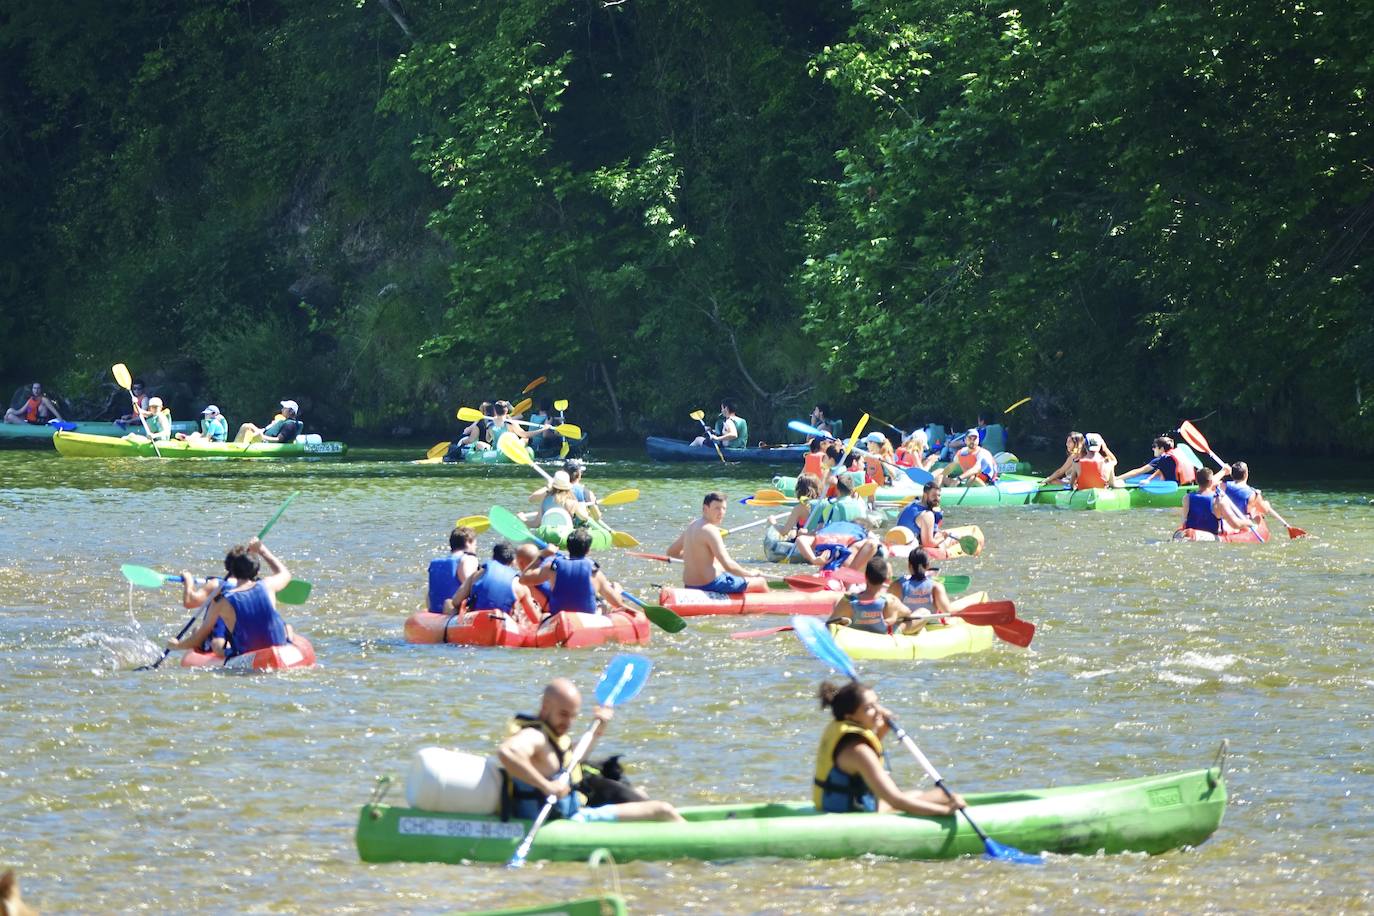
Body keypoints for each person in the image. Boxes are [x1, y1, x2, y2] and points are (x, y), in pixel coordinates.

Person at [498, 678, 683, 823]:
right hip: (568, 821)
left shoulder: (551, 735)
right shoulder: (534, 735)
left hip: (574, 811)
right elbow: (507, 752)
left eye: (573, 716)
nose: (568, 723)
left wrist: (598, 729)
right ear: (545, 707)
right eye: (563, 714)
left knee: (640, 794)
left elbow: (572, 760)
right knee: (662, 810)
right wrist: (546, 786)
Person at [813, 679, 965, 816]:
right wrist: (945, 811)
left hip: (840, 807)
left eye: (877, 703)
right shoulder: (859, 751)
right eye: (868, 708)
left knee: (916, 793)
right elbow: (895, 800)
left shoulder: (849, 739)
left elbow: (857, 767)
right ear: (850, 717)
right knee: (943, 797)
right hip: (852, 816)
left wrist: (881, 730)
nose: (879, 710)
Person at [165, 538, 297, 659]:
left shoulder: (221, 602)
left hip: (247, 655)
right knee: (288, 627)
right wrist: (262, 550)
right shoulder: (268, 585)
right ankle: (289, 644)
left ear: (230, 570)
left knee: (203, 637)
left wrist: (177, 646)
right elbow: (284, 573)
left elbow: (199, 638)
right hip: (279, 648)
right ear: (256, 570)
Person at [666, 491, 768, 593]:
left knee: (718, 565)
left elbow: (671, 553)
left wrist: (697, 558)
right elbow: (728, 565)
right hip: (711, 585)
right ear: (705, 509)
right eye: (717, 508)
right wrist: (750, 574)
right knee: (761, 582)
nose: (721, 512)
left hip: (689, 585)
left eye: (724, 508)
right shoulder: (711, 530)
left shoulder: (692, 526)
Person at [521, 529, 629, 616]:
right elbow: (618, 604)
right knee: (604, 604)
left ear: (568, 548)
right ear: (587, 550)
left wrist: (543, 554)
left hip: (559, 616)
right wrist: (618, 592)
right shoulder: (595, 573)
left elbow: (523, 579)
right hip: (587, 618)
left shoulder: (552, 567)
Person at [793, 476, 882, 570]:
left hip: (836, 546)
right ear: (852, 490)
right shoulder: (861, 504)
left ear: (837, 490)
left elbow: (820, 531)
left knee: (804, 537)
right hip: (860, 546)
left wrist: (805, 533)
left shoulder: (830, 506)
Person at [444, 542, 539, 621]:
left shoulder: (478, 574)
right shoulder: (520, 585)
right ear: (513, 562)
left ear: (493, 558)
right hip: (504, 623)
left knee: (447, 603)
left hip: (477, 621)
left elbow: (456, 601)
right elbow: (535, 619)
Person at [831, 557, 906, 634]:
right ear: (885, 579)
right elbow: (908, 613)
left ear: (865, 577)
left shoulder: (850, 599)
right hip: (881, 637)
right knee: (917, 614)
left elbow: (830, 623)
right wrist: (894, 616)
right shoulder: (890, 600)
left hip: (854, 638)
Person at [1176, 467, 1249, 539]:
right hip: (1208, 536)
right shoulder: (1218, 500)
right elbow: (1235, 524)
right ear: (1211, 482)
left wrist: (1223, 471)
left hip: (1189, 534)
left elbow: (1184, 522)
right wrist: (1249, 523)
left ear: (1197, 481)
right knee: (1236, 528)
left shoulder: (1187, 498)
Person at [426, 526, 480, 613]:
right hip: (453, 611)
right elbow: (471, 587)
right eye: (475, 544)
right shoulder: (468, 559)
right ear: (468, 542)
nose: (475, 548)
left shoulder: (436, 563)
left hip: (435, 612)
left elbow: (429, 595)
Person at [1118, 436, 1197, 486]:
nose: (1153, 449)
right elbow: (1160, 470)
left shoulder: (1162, 459)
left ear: (1161, 449)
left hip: (1175, 488)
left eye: (1154, 447)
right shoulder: (1178, 455)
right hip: (1189, 485)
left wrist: (1117, 478)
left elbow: (1138, 472)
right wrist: (1149, 479)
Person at [235, 400, 303, 444]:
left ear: (291, 411)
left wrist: (262, 437)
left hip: (266, 441)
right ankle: (236, 445)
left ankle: (236, 448)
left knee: (246, 427)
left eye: (285, 408)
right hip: (264, 437)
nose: (282, 409)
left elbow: (278, 439)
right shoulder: (284, 421)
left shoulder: (290, 425)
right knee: (247, 425)